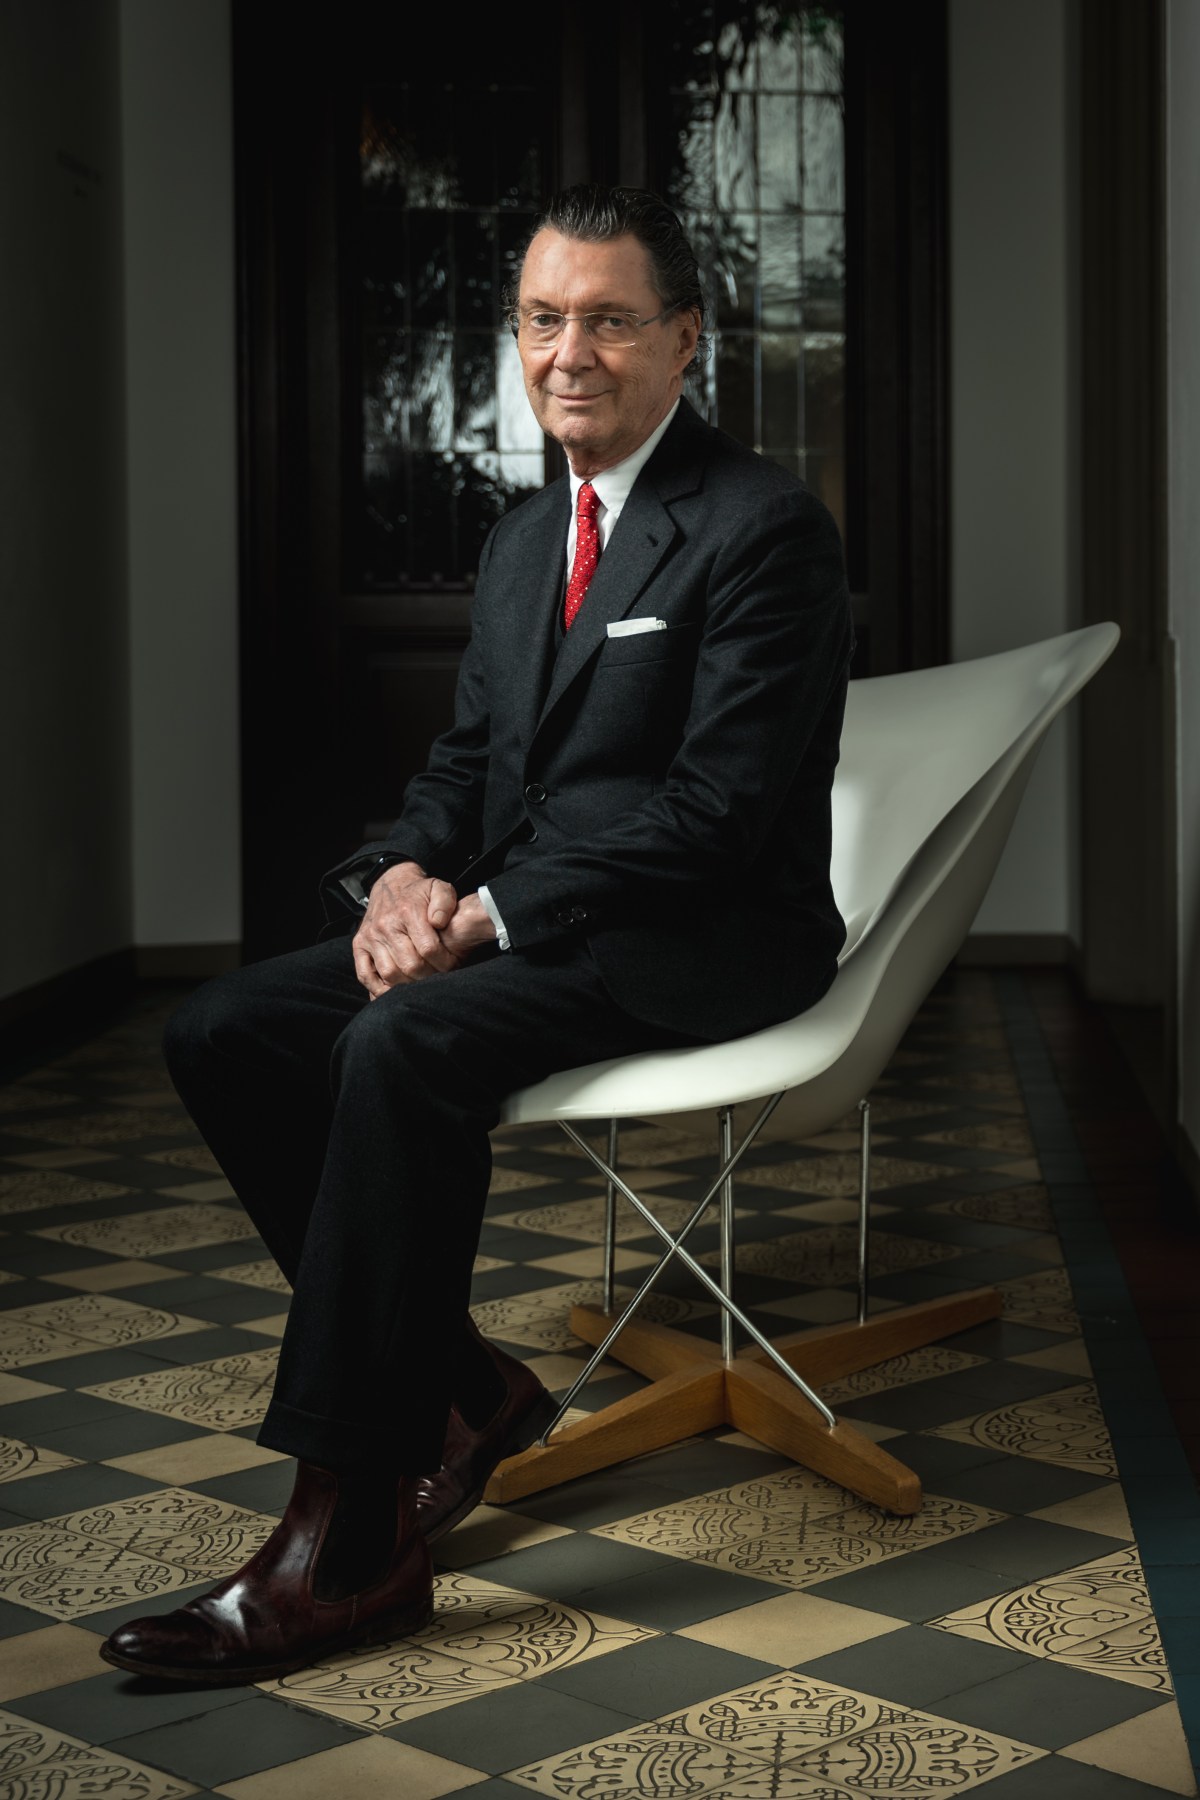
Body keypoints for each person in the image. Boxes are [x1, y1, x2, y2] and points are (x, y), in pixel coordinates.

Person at [100, 186, 854, 1684]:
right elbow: (469, 771)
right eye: (543, 319)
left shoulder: (764, 528)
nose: (570, 353)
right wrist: (400, 879)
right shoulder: (523, 542)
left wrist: (489, 914)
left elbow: (715, 816)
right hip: (534, 921)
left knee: (402, 1044)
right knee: (224, 1030)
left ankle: (349, 1543)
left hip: (704, 934)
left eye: (610, 320)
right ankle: (465, 1387)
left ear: (685, 339)